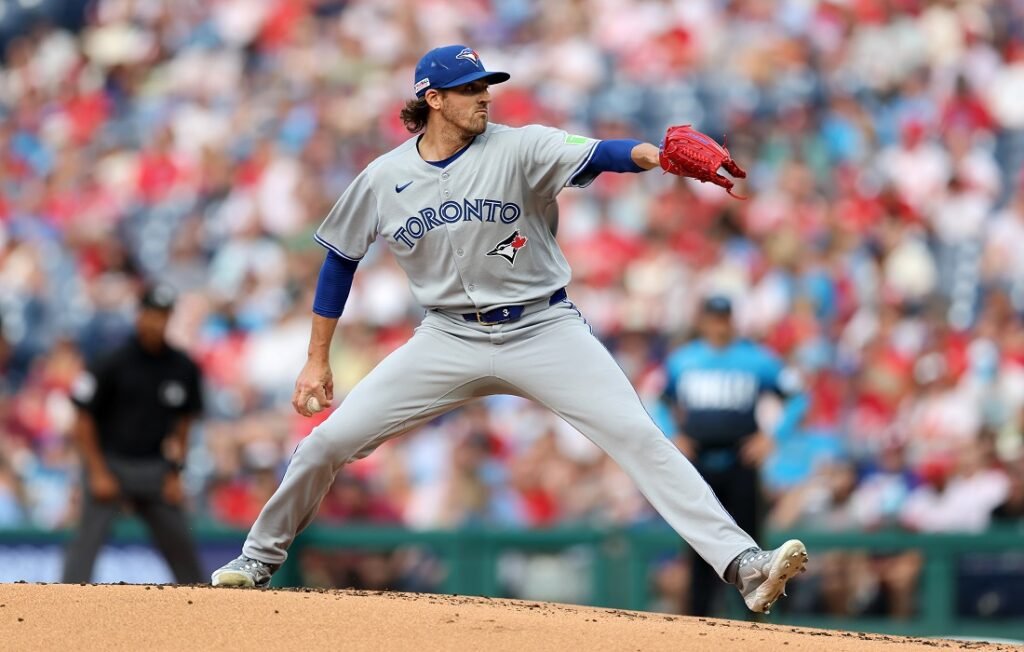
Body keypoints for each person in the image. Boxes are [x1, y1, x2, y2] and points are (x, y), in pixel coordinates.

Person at [211, 44, 807, 613]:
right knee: (326, 443)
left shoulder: (521, 147)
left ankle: (745, 565)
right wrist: (317, 358)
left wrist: (656, 155)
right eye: (468, 89)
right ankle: (257, 559)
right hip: (448, 337)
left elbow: (603, 153)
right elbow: (339, 260)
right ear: (433, 99)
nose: (483, 97)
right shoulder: (383, 177)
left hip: (543, 327)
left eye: (485, 86)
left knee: (639, 438)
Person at [662, 295, 808, 615]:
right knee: (699, 547)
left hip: (741, 461)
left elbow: (797, 398)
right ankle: (699, 623)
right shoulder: (684, 360)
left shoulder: (756, 360)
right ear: (703, 322)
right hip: (699, 462)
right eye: (714, 318)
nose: (719, 325)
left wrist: (772, 438)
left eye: (724, 318)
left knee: (750, 542)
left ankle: (751, 623)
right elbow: (660, 400)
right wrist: (674, 435)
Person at [63, 283, 204, 584]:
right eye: (152, 314)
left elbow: (183, 425)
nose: (157, 322)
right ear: (139, 315)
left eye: (163, 315)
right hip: (110, 462)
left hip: (153, 466)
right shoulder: (111, 361)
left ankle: (204, 606)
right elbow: (83, 418)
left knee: (182, 547)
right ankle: (66, 603)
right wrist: (97, 471)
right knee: (85, 545)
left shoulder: (183, 367)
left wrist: (175, 473)